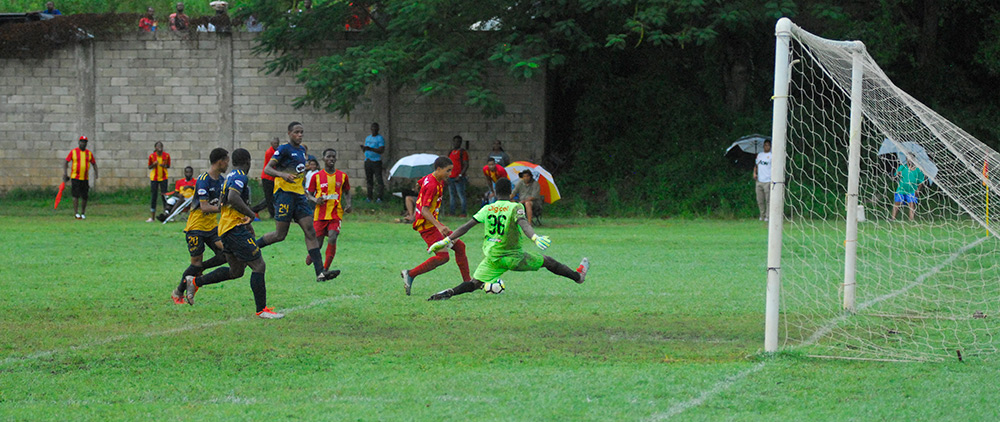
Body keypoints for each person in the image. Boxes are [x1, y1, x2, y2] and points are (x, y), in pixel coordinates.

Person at [426, 179, 589, 301]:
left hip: (493, 257)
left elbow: (465, 227)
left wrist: (444, 241)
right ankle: (578, 277)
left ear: (495, 192)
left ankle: (449, 293)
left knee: (474, 283)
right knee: (548, 262)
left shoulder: (487, 208)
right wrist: (535, 237)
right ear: (511, 191)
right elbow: (524, 224)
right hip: (513, 258)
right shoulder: (515, 207)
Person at [184, 148, 283, 319]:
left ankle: (195, 281)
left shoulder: (228, 177)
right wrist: (251, 215)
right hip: (233, 230)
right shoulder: (239, 176)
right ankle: (262, 310)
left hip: (226, 228)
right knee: (259, 265)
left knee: (236, 271)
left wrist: (245, 222)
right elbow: (232, 197)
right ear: (248, 162)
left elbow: (224, 203)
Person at [257, 122, 339, 282]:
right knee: (280, 235)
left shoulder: (302, 150)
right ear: (289, 133)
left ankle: (320, 272)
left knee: (310, 231)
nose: (300, 135)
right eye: (296, 132)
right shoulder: (283, 149)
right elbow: (267, 169)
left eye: (302, 132)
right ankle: (251, 247)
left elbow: (298, 171)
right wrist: (282, 175)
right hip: (284, 195)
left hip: (299, 195)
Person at [401, 156, 471, 296]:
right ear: (438, 169)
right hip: (427, 226)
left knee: (460, 246)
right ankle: (410, 273)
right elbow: (425, 210)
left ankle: (468, 283)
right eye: (447, 171)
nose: (449, 174)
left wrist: (419, 188)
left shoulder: (432, 178)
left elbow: (420, 183)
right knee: (443, 257)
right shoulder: (432, 185)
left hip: (432, 223)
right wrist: (439, 226)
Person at [170, 149, 230, 304]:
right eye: (226, 160)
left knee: (226, 254)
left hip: (212, 228)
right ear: (219, 161)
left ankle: (196, 275)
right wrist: (224, 209)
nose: (228, 163)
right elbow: (204, 207)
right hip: (196, 228)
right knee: (195, 263)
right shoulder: (203, 179)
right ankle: (178, 292)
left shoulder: (222, 181)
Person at [306, 148, 351, 273]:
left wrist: (348, 204)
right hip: (320, 214)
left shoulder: (342, 176)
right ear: (323, 159)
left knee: (332, 237)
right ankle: (312, 255)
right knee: (318, 244)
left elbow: (347, 191)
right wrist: (315, 200)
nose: (331, 159)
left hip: (336, 213)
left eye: (333, 157)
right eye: (328, 157)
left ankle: (325, 268)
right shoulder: (316, 176)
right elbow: (309, 194)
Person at [64, 135, 98, 219]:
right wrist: (65, 173)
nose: (83, 143)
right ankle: (76, 213)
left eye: (85, 142)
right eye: (82, 142)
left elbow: (94, 163)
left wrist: (96, 173)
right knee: (75, 195)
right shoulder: (74, 152)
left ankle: (83, 213)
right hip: (75, 177)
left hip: (85, 178)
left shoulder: (88, 153)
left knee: (85, 196)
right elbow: (66, 162)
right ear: (79, 142)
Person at [251, 137, 280, 219]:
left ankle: (255, 209)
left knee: (271, 197)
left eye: (277, 143)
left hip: (273, 177)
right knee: (269, 197)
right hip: (267, 177)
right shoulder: (269, 152)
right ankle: (272, 214)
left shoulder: (276, 151)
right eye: (275, 143)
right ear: (271, 144)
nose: (276, 145)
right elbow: (273, 165)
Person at [891, 155, 925, 221]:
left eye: (911, 159)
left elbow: (921, 182)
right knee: (897, 203)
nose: (910, 160)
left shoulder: (918, 170)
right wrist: (897, 174)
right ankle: (893, 218)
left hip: (912, 190)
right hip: (901, 189)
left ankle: (911, 220)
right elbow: (894, 177)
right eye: (908, 159)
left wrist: (917, 190)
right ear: (906, 160)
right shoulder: (902, 167)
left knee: (911, 205)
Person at [361, 122, 385, 202]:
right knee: (369, 180)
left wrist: (370, 149)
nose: (374, 129)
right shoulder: (368, 138)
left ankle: (379, 197)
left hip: (376, 162)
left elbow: (381, 150)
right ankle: (369, 197)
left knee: (379, 180)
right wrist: (364, 148)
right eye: (372, 128)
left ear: (378, 129)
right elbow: (366, 148)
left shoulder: (380, 138)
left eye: (375, 128)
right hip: (368, 161)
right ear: (371, 129)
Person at [147, 141, 171, 222]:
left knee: (164, 196)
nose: (160, 147)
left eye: (161, 145)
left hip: (164, 178)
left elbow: (168, 165)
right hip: (154, 178)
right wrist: (154, 164)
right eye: (158, 146)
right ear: (155, 148)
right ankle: (152, 217)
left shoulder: (166, 155)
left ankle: (166, 215)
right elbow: (149, 167)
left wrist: (164, 165)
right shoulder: (152, 156)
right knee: (154, 196)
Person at [447, 135, 469, 216]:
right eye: (455, 141)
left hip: (459, 178)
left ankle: (463, 212)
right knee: (452, 196)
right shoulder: (450, 152)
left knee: (461, 195)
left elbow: (466, 164)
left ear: (460, 143)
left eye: (458, 142)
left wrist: (460, 175)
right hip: (450, 177)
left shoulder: (463, 152)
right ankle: (452, 212)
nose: (456, 143)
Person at [752, 140, 772, 221]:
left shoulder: (771, 155)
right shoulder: (759, 155)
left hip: (768, 180)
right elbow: (756, 165)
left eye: (767, 145)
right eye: (765, 145)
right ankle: (762, 215)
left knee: (768, 199)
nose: (766, 147)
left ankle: (768, 216)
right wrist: (754, 173)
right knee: (760, 200)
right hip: (760, 180)